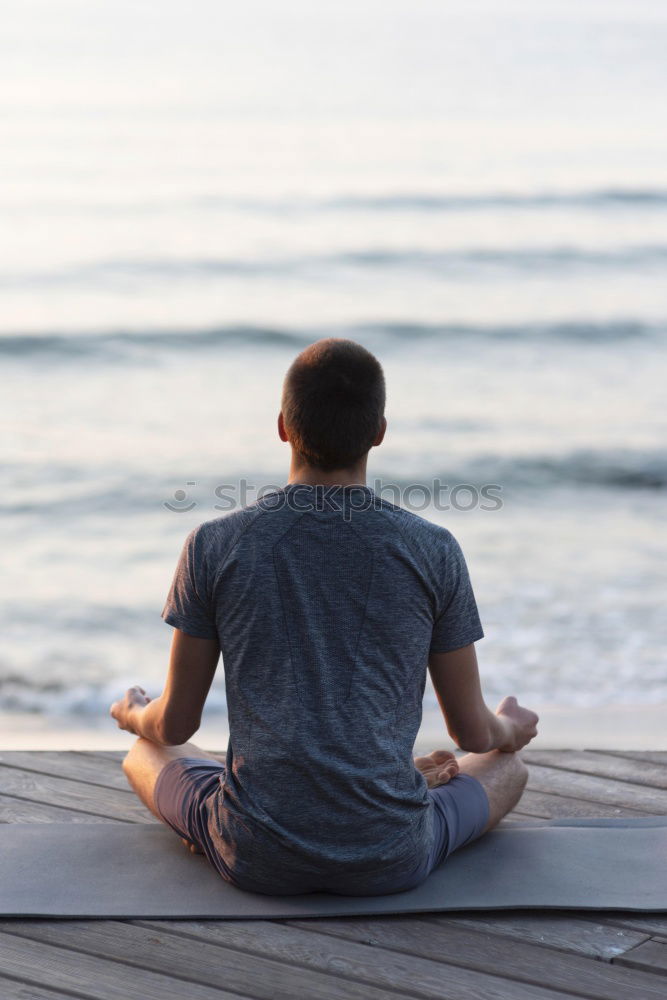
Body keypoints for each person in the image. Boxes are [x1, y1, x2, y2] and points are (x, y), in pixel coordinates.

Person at [111, 338, 539, 896]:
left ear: (284, 426)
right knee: (507, 769)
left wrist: (135, 714)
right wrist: (510, 726)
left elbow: (175, 727)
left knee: (148, 752)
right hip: (392, 857)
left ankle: (317, 789)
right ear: (379, 431)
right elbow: (472, 733)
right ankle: (390, 780)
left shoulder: (214, 545)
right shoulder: (433, 549)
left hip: (254, 853)